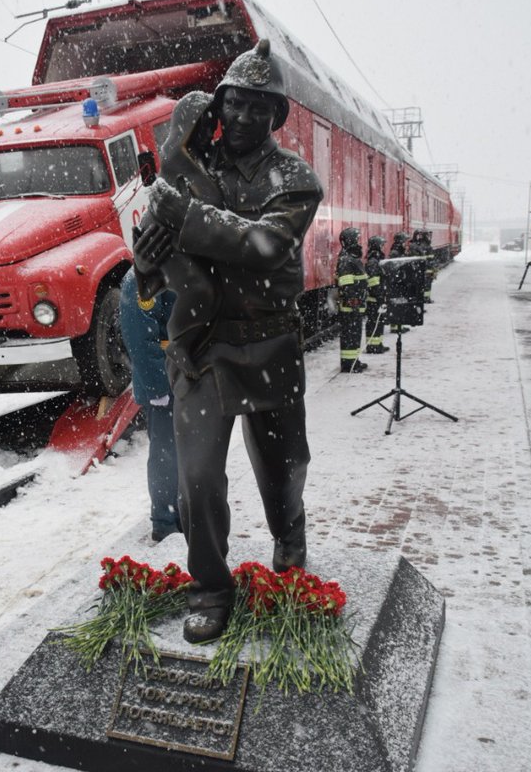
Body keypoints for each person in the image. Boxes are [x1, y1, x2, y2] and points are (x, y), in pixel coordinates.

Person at [135, 39, 323, 643]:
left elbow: (265, 247)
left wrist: (183, 218)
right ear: (219, 106)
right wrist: (145, 260)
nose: (242, 117)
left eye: (257, 107)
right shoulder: (191, 166)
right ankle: (210, 587)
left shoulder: (294, 178)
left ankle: (289, 546)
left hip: (269, 345)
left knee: (283, 468)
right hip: (203, 348)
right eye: (234, 104)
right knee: (197, 478)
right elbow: (162, 261)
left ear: (275, 115)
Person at [133, 90, 223, 380]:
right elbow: (205, 203)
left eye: (212, 125)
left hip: (233, 340)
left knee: (202, 290)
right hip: (169, 244)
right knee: (200, 289)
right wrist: (143, 266)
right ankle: (181, 344)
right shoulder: (181, 163)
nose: (209, 132)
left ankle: (183, 343)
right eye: (203, 125)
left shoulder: (212, 162)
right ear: (188, 127)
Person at [119, 268, 182, 543]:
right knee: (166, 455)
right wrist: (158, 388)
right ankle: (166, 522)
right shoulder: (141, 277)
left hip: (183, 379)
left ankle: (182, 513)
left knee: (185, 454)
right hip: (166, 382)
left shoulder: (175, 266)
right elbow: (140, 339)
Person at [336, 227, 369, 372]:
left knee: (355, 335)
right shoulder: (346, 260)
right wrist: (353, 301)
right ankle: (348, 365)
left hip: (355, 306)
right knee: (350, 335)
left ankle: (354, 361)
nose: (357, 241)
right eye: (355, 238)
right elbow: (346, 283)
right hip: (350, 308)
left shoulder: (351, 258)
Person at [364, 234, 390, 354]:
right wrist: (379, 296)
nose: (383, 247)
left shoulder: (376, 260)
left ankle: (377, 344)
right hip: (374, 299)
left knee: (379, 321)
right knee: (374, 322)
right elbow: (373, 282)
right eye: (381, 245)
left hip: (378, 298)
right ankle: (372, 346)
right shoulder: (373, 262)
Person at [388, 231, 410, 334]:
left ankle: (398, 324)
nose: (406, 243)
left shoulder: (399, 251)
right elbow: (394, 268)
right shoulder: (395, 253)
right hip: (396, 282)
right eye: (405, 241)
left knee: (400, 303)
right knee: (396, 303)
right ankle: (395, 326)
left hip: (399, 281)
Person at [410, 229, 435, 303]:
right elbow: (430, 260)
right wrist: (433, 271)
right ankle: (427, 298)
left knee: (419, 285)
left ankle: (419, 298)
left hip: (418, 270)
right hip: (427, 270)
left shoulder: (414, 245)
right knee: (427, 285)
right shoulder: (428, 247)